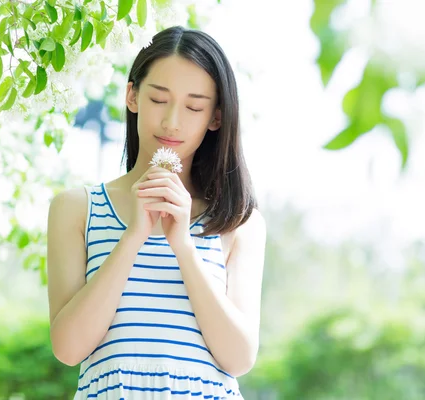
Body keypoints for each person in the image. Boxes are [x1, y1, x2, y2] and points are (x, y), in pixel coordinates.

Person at [46, 25, 266, 399]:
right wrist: (133, 235)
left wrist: (183, 245)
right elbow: (68, 349)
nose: (172, 122)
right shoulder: (77, 208)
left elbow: (238, 358)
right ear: (132, 95)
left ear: (215, 117)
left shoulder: (237, 221)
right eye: (159, 100)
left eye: (194, 107)